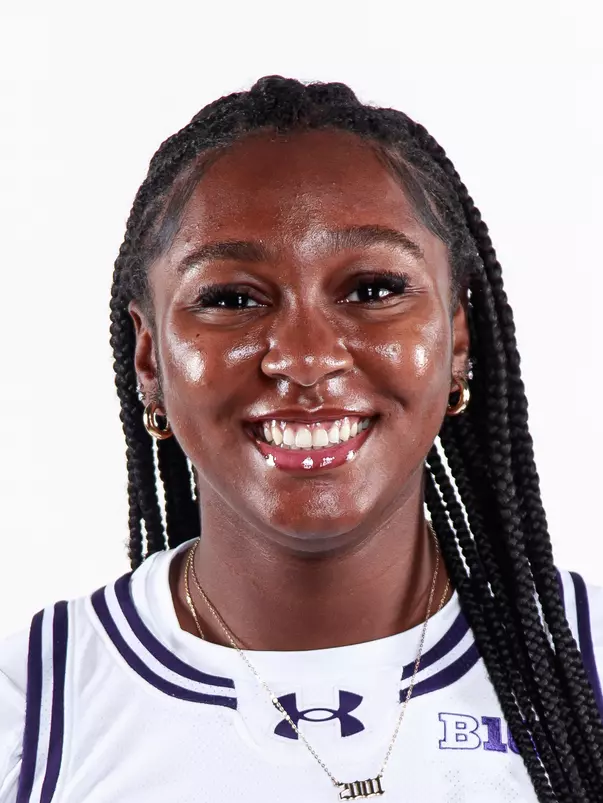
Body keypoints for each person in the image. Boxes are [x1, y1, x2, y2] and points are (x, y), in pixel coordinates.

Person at [1, 75, 602, 803]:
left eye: (373, 288)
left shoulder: (584, 662)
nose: (306, 357)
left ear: (457, 339)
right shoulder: (32, 708)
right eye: (229, 298)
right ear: (150, 358)